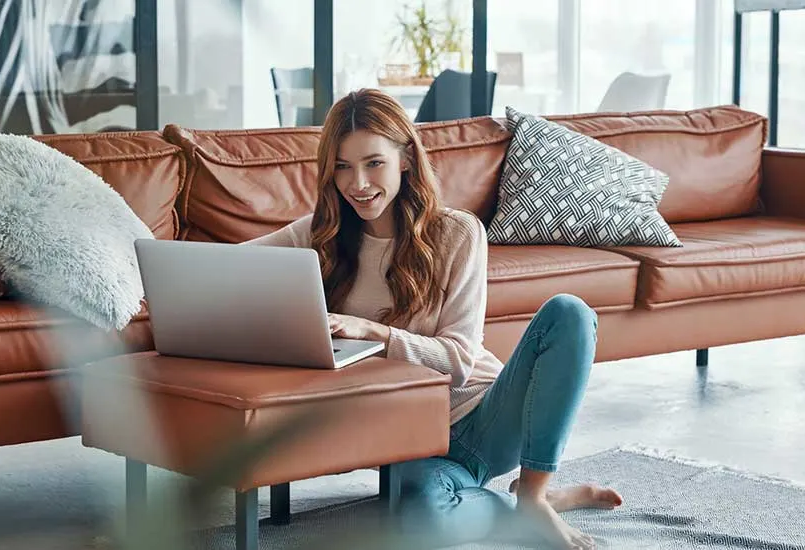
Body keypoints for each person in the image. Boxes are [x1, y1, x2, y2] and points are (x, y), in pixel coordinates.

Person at [244, 88, 622, 550]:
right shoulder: (317, 234)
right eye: (342, 167)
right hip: (407, 437)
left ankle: (536, 492)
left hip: (483, 415)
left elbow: (460, 362)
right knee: (424, 522)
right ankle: (522, 506)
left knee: (570, 313)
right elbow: (225, 270)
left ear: (405, 157)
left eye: (373, 163)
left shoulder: (456, 232)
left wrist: (378, 334)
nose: (358, 183)